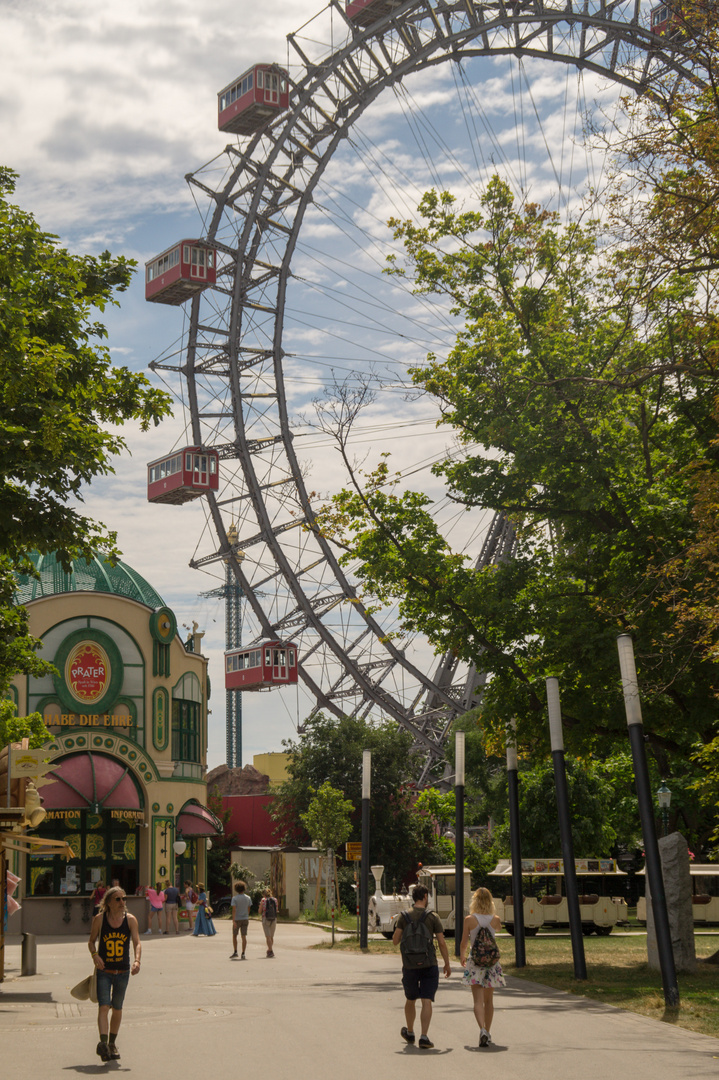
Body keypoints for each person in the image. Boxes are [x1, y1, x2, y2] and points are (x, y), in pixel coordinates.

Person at [392, 883, 451, 1050]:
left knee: (410, 999)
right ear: (425, 897)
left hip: (409, 965)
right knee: (426, 1000)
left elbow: (395, 941)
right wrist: (447, 963)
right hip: (429, 964)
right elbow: (441, 942)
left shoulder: (404, 916)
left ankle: (410, 1032)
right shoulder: (433, 917)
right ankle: (424, 1037)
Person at [88, 885, 141, 1062]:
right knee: (104, 1006)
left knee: (117, 1008)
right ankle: (103, 1044)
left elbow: (137, 942)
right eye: (117, 899)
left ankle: (112, 1043)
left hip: (123, 971)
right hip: (104, 971)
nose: (122, 902)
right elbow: (91, 942)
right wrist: (95, 955)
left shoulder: (131, 920)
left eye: (124, 898)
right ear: (109, 902)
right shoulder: (99, 919)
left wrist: (137, 960)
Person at [459, 886, 506, 1047]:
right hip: (491, 964)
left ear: (475, 901)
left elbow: (464, 942)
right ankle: (488, 1031)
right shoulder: (496, 919)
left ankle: (482, 1030)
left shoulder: (469, 919)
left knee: (477, 1000)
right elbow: (498, 929)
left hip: (476, 962)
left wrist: (462, 955)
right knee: (489, 1001)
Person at [230, 880, 251, 959]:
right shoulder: (248, 898)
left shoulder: (234, 898)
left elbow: (234, 910)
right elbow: (248, 909)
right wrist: (246, 915)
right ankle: (243, 953)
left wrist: (233, 920)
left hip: (237, 919)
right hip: (245, 918)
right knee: (244, 936)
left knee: (235, 935)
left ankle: (235, 951)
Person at [259, 887, 278, 957]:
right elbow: (277, 909)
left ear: (264, 894)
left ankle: (270, 951)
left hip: (266, 919)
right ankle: (270, 950)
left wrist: (260, 907)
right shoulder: (275, 900)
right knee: (271, 936)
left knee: (268, 936)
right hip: (274, 918)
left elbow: (259, 911)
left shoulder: (263, 900)